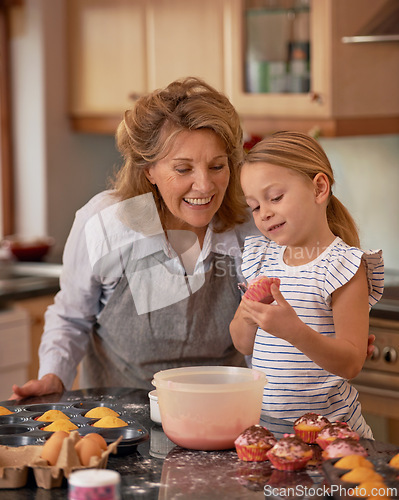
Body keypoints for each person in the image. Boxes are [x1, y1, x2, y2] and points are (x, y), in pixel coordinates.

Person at [10, 77, 258, 400]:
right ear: (149, 170)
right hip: (119, 421)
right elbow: (72, 317)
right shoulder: (107, 224)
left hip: (221, 415)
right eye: (183, 169)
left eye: (217, 166)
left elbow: (263, 338)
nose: (205, 185)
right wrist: (53, 377)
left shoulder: (247, 227)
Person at [230, 131, 384, 438]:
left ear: (319, 188)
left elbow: (351, 362)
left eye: (275, 198)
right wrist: (248, 315)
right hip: (268, 435)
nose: (265, 213)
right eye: (255, 207)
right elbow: (242, 343)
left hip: (331, 436)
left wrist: (294, 331)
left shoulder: (344, 266)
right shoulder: (261, 258)